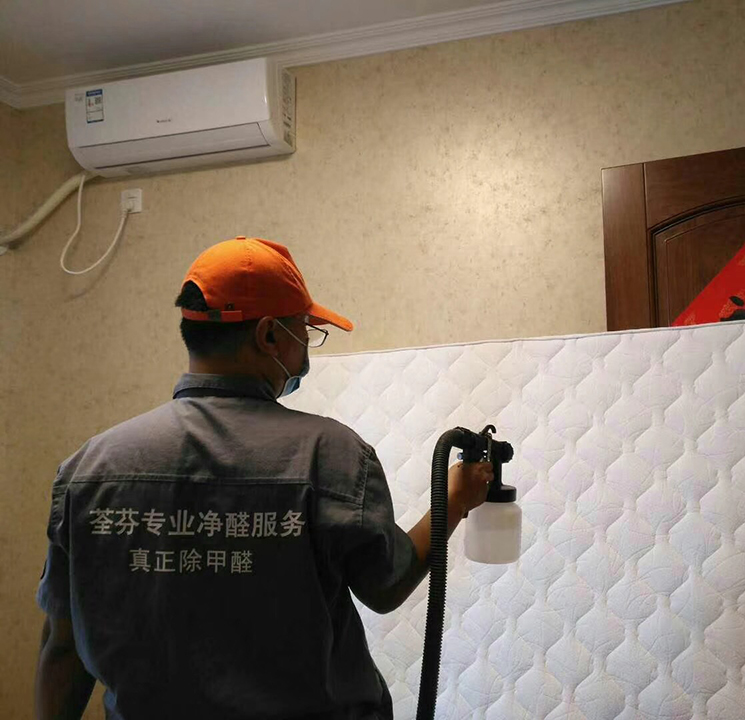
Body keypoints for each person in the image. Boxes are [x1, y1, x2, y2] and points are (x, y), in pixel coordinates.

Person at [34, 236, 493, 720]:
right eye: (305, 330)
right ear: (269, 335)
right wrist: (454, 501)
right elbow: (386, 585)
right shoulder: (331, 455)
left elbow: (62, 646)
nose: (306, 347)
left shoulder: (89, 469)